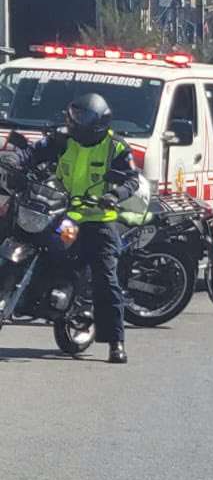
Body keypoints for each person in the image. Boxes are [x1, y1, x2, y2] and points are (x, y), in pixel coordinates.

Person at [28, 94, 140, 363]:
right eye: (73, 118)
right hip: (64, 216)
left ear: (98, 124)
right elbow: (33, 152)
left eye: (81, 120)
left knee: (105, 278)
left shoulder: (116, 148)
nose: (74, 124)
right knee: (37, 246)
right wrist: (14, 161)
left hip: (98, 219)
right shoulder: (63, 139)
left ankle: (115, 342)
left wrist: (114, 195)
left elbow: (132, 180)